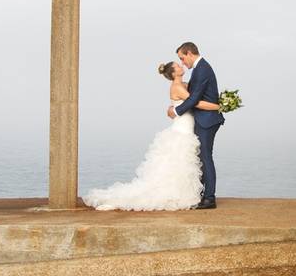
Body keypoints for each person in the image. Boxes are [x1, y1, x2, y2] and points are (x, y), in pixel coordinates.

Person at [82, 52, 221, 211]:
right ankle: (175, 194)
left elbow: (199, 92)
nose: (181, 65)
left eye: (180, 62)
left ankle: (187, 193)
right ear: (173, 73)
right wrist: (219, 106)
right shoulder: (177, 87)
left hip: (189, 125)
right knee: (179, 161)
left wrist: (175, 108)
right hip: (182, 127)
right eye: (177, 65)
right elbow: (194, 102)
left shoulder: (184, 84)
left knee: (187, 162)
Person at [168, 42, 225, 209]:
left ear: (190, 53)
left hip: (207, 120)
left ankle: (209, 198)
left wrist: (176, 111)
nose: (182, 62)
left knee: (205, 157)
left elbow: (194, 100)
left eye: (182, 58)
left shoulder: (202, 69)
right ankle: (201, 194)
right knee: (201, 158)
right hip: (203, 119)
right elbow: (190, 95)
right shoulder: (200, 68)